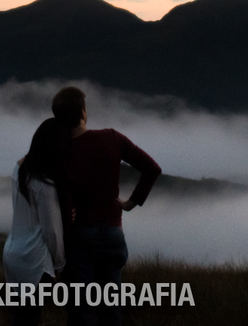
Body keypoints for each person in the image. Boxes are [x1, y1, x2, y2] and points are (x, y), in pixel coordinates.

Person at [52, 86, 161, 326]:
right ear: (83, 112)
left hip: (79, 235)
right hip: (113, 232)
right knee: (111, 310)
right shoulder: (112, 137)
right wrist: (131, 203)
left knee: (81, 312)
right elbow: (152, 169)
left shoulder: (59, 152)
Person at [3, 117, 69, 326]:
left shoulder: (19, 170)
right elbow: (52, 233)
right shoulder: (45, 185)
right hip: (35, 260)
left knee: (19, 317)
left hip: (13, 253)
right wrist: (60, 265)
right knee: (32, 317)